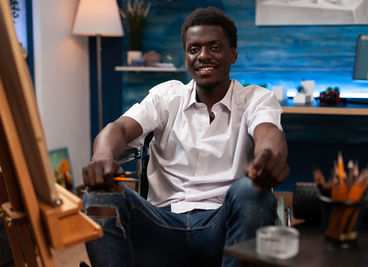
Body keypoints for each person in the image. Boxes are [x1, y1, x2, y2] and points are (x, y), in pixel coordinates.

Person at [82, 6, 289, 267]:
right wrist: (102, 157)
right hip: (161, 225)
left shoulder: (256, 99)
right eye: (194, 49)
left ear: (232, 54)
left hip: (221, 225)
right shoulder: (166, 97)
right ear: (186, 57)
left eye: (215, 47)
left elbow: (269, 135)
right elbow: (119, 129)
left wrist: (268, 157)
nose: (203, 55)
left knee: (251, 191)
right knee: (99, 193)